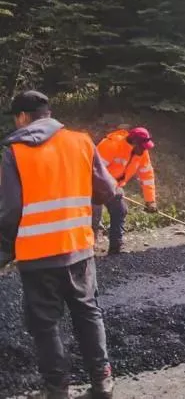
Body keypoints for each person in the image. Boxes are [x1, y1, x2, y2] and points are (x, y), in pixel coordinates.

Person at [0, 91, 119, 399]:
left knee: (45, 324)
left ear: (23, 117)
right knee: (88, 312)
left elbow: (11, 210)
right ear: (48, 113)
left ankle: (57, 390)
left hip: (38, 256)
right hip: (78, 248)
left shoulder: (15, 151)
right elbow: (106, 189)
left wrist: (4, 251)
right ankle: (102, 382)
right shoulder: (81, 141)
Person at [92, 126, 158, 254]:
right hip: (95, 184)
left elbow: (147, 175)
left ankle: (116, 246)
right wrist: (107, 186)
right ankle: (89, 248)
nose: (145, 149)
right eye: (142, 146)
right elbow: (95, 170)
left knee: (120, 210)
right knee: (94, 216)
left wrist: (150, 201)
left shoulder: (142, 152)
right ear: (133, 142)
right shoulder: (111, 145)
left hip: (115, 186)